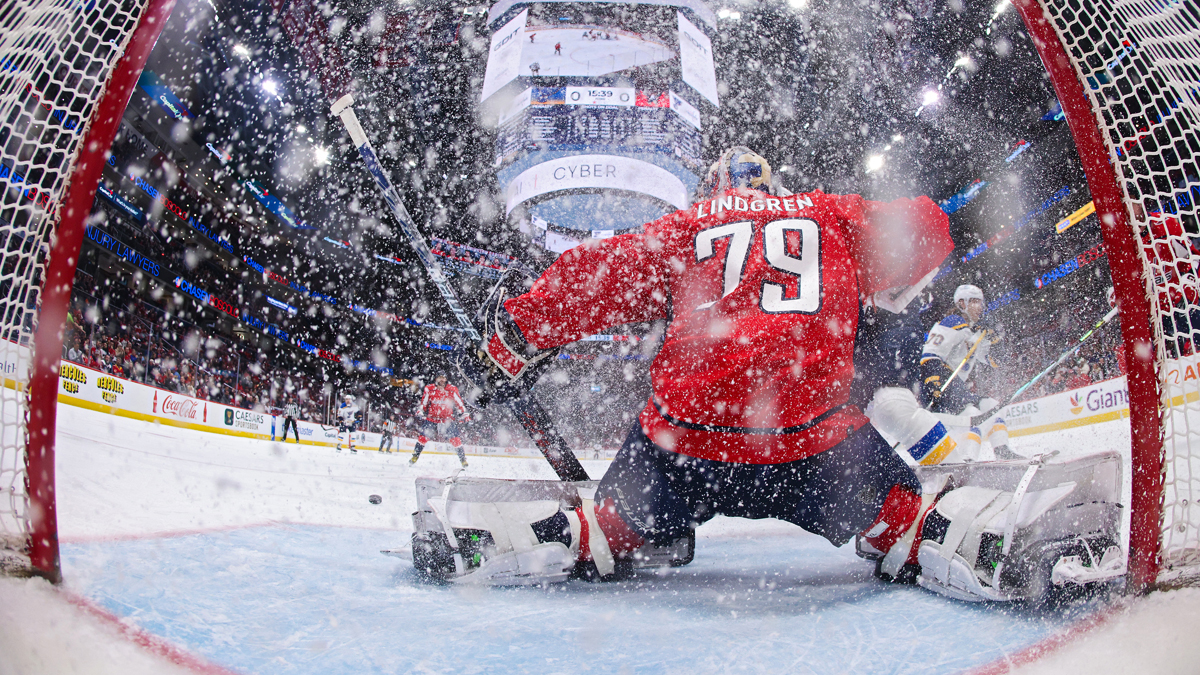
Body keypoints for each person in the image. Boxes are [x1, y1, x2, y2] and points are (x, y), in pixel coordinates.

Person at [456, 146, 964, 586]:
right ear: (773, 186)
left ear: (711, 190)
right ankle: (930, 537)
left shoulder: (687, 227)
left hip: (688, 446)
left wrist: (517, 336)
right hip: (814, 445)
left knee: (608, 524)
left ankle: (553, 537)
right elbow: (928, 229)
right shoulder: (827, 214)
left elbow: (597, 276)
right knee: (903, 511)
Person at [919, 284, 1014, 459]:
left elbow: (994, 361)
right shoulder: (953, 322)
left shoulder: (975, 332)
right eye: (976, 302)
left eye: (981, 302)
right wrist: (933, 384)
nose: (981, 307)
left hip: (955, 386)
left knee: (991, 405)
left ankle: (1002, 452)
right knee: (972, 415)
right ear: (962, 303)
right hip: (940, 382)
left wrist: (994, 340)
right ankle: (967, 462)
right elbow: (930, 354)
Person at [409, 374, 470, 467]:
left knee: (456, 440)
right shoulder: (429, 389)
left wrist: (464, 413)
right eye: (440, 377)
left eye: (444, 377)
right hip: (432, 418)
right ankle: (415, 456)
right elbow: (424, 404)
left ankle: (463, 460)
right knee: (422, 438)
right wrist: (420, 411)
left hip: (447, 419)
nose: (442, 379)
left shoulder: (452, 389)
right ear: (436, 379)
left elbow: (460, 403)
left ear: (446, 379)